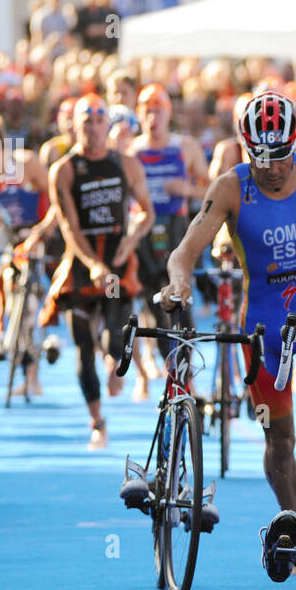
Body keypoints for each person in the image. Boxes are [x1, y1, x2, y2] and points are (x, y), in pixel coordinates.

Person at [157, 92, 296, 573]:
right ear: (245, 147)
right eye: (260, 156)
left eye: (281, 154)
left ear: (295, 143)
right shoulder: (232, 187)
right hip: (263, 333)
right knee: (281, 439)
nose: (272, 167)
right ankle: (291, 519)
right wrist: (179, 282)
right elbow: (186, 250)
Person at [41, 93, 154, 450]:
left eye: (98, 121)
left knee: (113, 339)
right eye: (85, 122)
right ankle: (97, 421)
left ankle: (114, 362)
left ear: (109, 125)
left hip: (117, 263)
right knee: (82, 342)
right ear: (74, 126)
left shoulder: (127, 164)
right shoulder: (64, 170)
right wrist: (92, 265)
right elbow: (69, 226)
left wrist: (131, 240)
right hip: (81, 265)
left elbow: (147, 213)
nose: (92, 129)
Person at [127, 83, 209, 398]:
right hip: (146, 233)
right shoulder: (132, 152)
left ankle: (187, 378)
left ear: (168, 113)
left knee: (181, 302)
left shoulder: (184, 147)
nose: (153, 117)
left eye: (158, 110)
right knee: (156, 306)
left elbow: (211, 190)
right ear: (139, 114)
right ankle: (174, 377)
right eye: (147, 111)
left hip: (177, 228)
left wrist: (186, 190)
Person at [0, 115, 58, 393]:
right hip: (16, 238)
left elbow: (56, 197)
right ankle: (3, 336)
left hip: (44, 233)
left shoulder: (26, 161)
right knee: (4, 279)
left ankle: (40, 358)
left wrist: (44, 229)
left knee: (35, 299)